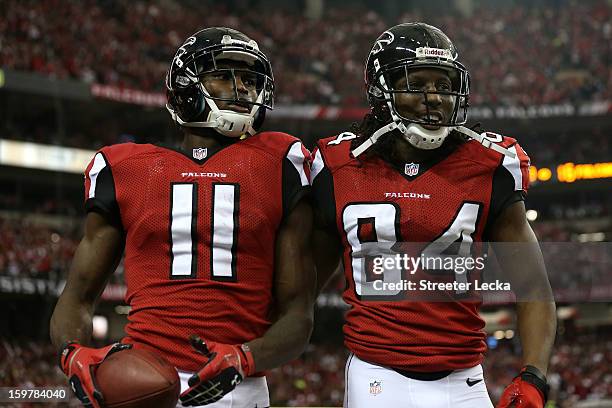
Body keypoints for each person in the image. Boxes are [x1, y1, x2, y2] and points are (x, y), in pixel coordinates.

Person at [50, 27, 315, 408]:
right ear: (186, 86)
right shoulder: (126, 167)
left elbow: (298, 315)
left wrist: (246, 358)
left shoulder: (282, 161)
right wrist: (71, 352)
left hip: (238, 385)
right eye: (224, 76)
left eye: (248, 79)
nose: (242, 89)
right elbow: (77, 296)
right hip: (142, 378)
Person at [310, 23, 556, 408]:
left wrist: (534, 376)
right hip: (376, 372)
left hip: (464, 377)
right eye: (417, 83)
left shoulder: (490, 165)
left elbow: (534, 288)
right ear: (381, 89)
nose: (434, 98)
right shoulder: (337, 165)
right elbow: (304, 285)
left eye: (443, 85)